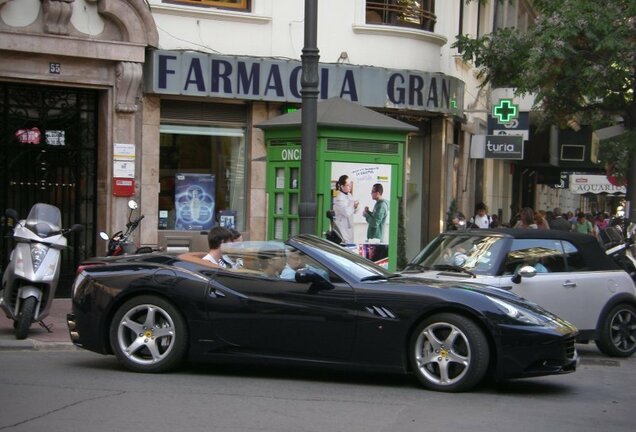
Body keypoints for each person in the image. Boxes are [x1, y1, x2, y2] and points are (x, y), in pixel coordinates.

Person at [332, 174, 359, 244]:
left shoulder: (349, 195)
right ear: (342, 186)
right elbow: (346, 212)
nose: (350, 186)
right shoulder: (338, 198)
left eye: (350, 184)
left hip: (349, 228)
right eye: (347, 185)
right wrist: (353, 205)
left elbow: (355, 211)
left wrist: (356, 207)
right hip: (342, 229)